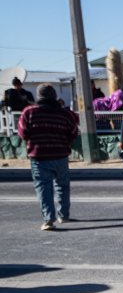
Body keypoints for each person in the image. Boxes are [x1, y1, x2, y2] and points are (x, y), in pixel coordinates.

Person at [17, 84, 78, 230]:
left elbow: (23, 133)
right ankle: (63, 216)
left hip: (39, 157)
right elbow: (73, 133)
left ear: (38, 97)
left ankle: (48, 220)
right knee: (62, 186)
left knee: (43, 187)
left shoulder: (29, 112)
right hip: (61, 155)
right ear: (54, 96)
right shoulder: (65, 113)